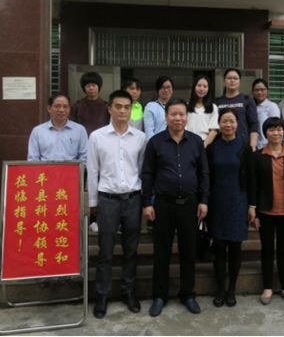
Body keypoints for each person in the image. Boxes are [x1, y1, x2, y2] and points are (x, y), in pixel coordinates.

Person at [141, 98, 209, 317]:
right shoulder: (155, 142)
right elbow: (148, 173)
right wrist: (146, 203)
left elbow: (203, 173)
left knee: (189, 252)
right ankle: (159, 296)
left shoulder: (196, 142)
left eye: (181, 114)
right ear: (166, 117)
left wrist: (204, 200)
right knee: (161, 252)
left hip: (189, 205)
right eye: (173, 114)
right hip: (163, 205)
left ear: (186, 117)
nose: (177, 118)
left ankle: (187, 294)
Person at [87, 90, 146, 319]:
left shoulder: (140, 137)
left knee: (131, 250)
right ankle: (102, 295)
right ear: (109, 109)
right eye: (118, 106)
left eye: (126, 107)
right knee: (106, 251)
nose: (122, 111)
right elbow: (92, 171)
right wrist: (93, 202)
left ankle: (128, 292)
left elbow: (141, 170)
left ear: (131, 110)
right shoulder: (97, 137)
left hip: (132, 199)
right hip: (108, 200)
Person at [247, 117, 284, 306]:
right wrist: (253, 209)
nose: (276, 133)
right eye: (272, 130)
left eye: (279, 129)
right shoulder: (258, 156)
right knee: (266, 250)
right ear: (266, 133)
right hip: (265, 211)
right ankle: (267, 287)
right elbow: (253, 185)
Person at [205, 108, 249, 308]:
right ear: (219, 124)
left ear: (237, 124)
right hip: (217, 202)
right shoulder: (212, 148)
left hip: (238, 201)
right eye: (224, 121)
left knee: (235, 248)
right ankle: (220, 289)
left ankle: (232, 289)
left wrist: (252, 206)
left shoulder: (245, 147)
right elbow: (206, 176)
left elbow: (251, 178)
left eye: (232, 121)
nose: (228, 124)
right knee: (219, 247)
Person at [27, 93, 88, 163]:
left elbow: (85, 157)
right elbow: (33, 159)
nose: (61, 110)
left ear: (69, 109)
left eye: (65, 106)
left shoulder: (80, 130)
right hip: (45, 170)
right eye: (57, 106)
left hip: (72, 170)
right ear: (49, 108)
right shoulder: (37, 131)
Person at [214, 68, 259, 152]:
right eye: (229, 78)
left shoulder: (247, 100)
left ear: (239, 81)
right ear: (224, 81)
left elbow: (254, 124)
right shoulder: (217, 102)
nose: (232, 80)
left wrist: (253, 145)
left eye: (235, 78)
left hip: (243, 145)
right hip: (221, 144)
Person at [71, 72, 110, 136]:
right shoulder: (77, 106)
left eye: (93, 85)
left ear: (99, 87)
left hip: (102, 139)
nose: (91, 88)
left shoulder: (107, 106)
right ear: (84, 88)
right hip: (82, 138)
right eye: (88, 86)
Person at [186, 75, 219, 148]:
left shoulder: (213, 107)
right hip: (188, 143)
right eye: (199, 85)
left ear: (208, 89)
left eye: (205, 86)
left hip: (205, 144)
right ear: (194, 87)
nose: (201, 89)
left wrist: (204, 145)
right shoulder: (186, 106)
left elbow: (214, 130)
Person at [252, 78, 280, 150]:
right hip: (253, 145)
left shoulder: (272, 106)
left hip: (267, 146)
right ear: (253, 92)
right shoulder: (250, 106)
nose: (259, 92)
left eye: (262, 89)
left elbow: (275, 127)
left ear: (267, 91)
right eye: (257, 90)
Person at [144, 76, 174, 140]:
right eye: (163, 87)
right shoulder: (151, 106)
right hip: (157, 144)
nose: (166, 90)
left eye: (168, 87)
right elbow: (149, 133)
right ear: (158, 89)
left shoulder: (177, 107)